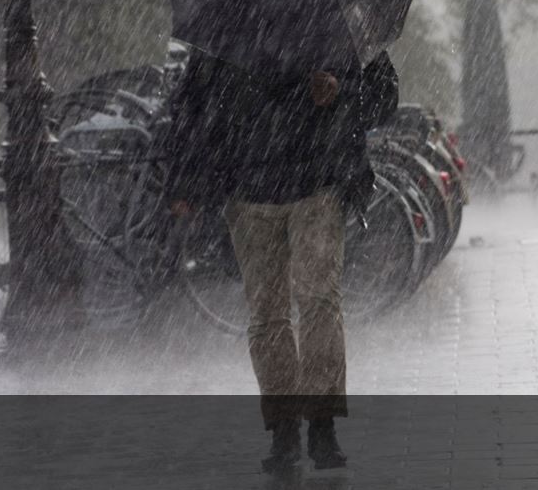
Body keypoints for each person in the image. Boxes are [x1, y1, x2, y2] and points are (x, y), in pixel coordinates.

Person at [164, 47, 398, 472]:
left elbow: (383, 97)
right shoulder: (228, 31)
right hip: (248, 190)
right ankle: (285, 428)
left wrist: (341, 91)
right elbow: (194, 105)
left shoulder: (335, 25)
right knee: (268, 312)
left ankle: (321, 425)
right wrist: (185, 182)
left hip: (317, 183)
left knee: (317, 302)